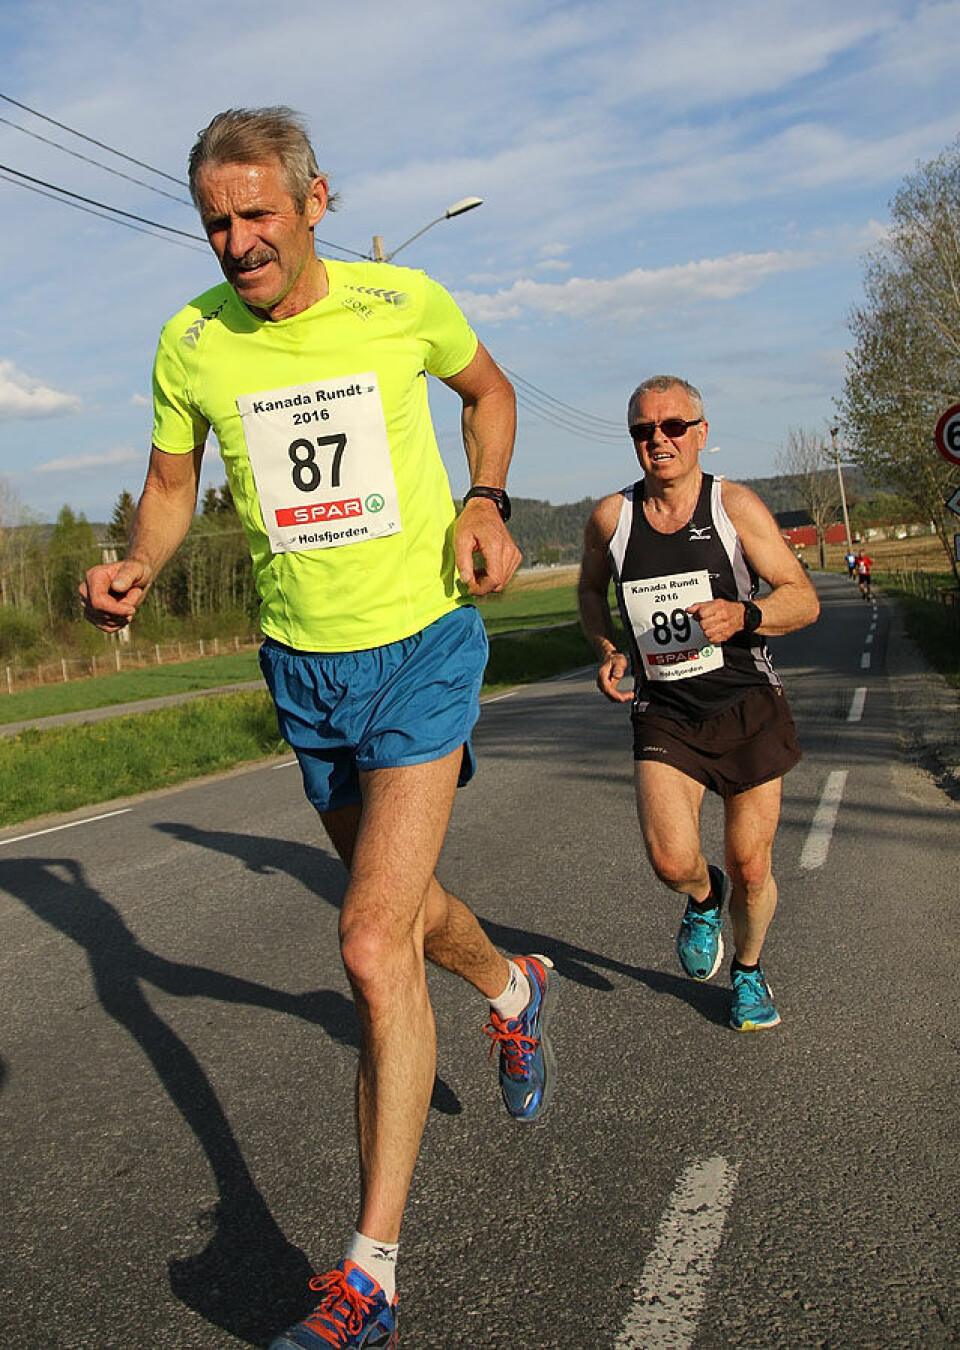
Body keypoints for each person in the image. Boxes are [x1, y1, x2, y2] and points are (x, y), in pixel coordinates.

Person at [80, 106, 558, 1350]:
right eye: (217, 222)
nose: (237, 242)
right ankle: (514, 987)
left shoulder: (403, 304)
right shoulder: (192, 343)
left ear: (316, 202)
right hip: (305, 671)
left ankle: (371, 1273)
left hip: (424, 646)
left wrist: (489, 501)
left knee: (362, 943)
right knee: (403, 909)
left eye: (258, 214)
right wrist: (138, 559)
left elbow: (490, 392)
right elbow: (176, 481)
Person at [578, 375, 819, 1033]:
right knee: (670, 861)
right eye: (643, 430)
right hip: (665, 710)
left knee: (753, 863)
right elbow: (590, 593)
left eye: (672, 426)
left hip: (746, 704)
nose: (658, 440)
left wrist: (744, 614)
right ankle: (702, 896)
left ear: (700, 433)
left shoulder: (734, 508)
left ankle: (747, 971)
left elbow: (802, 596)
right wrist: (607, 648)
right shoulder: (611, 519)